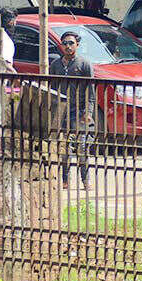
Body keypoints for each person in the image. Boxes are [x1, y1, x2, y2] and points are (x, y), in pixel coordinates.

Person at [49, 31, 95, 189]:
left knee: (82, 147)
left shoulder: (84, 64)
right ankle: (65, 179)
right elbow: (52, 88)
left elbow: (91, 92)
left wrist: (88, 112)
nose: (68, 46)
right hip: (62, 111)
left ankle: (85, 180)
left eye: (71, 43)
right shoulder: (55, 65)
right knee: (64, 148)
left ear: (77, 45)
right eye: (65, 43)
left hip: (80, 111)